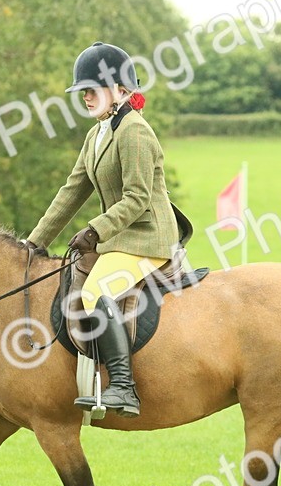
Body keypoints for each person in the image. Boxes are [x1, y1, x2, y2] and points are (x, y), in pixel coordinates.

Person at [24, 42, 183, 418]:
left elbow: (138, 198)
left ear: (121, 90)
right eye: (83, 90)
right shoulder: (97, 135)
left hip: (148, 236)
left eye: (92, 89)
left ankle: (124, 388)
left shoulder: (135, 132)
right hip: (122, 236)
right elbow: (71, 191)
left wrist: (95, 230)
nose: (85, 96)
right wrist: (34, 242)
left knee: (96, 290)